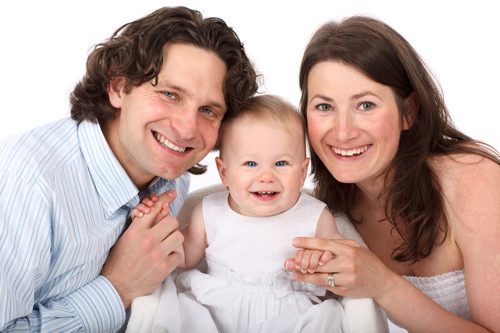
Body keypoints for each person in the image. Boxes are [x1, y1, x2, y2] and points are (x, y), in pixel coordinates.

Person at [0, 6, 258, 332]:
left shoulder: (171, 179)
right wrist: (117, 287)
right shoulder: (25, 184)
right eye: (169, 94)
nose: (186, 129)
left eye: (208, 110)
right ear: (119, 87)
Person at [284, 16, 500, 332]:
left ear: (408, 112)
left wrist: (383, 285)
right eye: (324, 107)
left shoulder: (473, 182)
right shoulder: (329, 215)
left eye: (366, 105)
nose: (343, 132)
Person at [130, 94, 348, 332]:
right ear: (224, 173)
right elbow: (183, 257)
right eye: (251, 164)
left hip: (290, 315)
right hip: (217, 312)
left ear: (302, 171)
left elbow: (344, 258)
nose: (266, 176)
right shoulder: (209, 211)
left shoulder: (314, 216)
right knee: (184, 310)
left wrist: (320, 258)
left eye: (281, 163)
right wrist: (160, 226)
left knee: (327, 317)